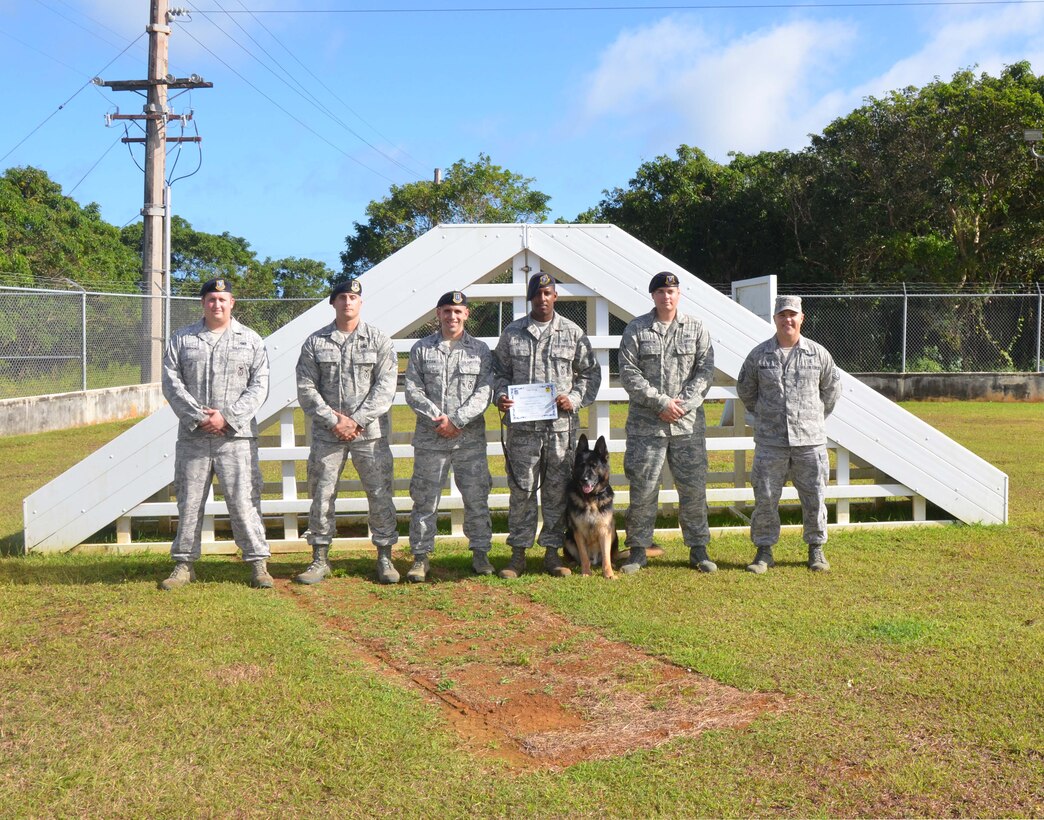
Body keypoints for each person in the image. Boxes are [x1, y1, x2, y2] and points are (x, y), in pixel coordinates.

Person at [159, 277, 273, 590]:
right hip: (194, 437)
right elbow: (171, 382)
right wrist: (199, 417)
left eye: (223, 299)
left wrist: (227, 417)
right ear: (203, 303)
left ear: (232, 303)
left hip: (236, 438)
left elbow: (259, 386)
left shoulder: (251, 340)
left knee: (244, 501)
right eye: (211, 299)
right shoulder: (183, 339)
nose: (217, 304)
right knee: (189, 501)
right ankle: (184, 565)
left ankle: (258, 564)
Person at [492, 272, 601, 578]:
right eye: (537, 294)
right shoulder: (512, 333)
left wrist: (574, 398)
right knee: (522, 491)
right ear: (530, 298)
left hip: (559, 431)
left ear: (555, 296)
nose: (542, 298)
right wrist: (501, 395)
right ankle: (518, 555)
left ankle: (552, 554)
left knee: (556, 493)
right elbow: (498, 372)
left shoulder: (572, 332)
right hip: (523, 432)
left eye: (547, 293)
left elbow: (590, 373)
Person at [295, 278, 400, 585]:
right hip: (328, 435)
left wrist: (356, 421)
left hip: (369, 434)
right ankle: (320, 558)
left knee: (379, 494)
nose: (347, 302)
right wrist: (334, 421)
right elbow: (306, 387)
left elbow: (386, 386)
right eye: (341, 297)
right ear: (333, 303)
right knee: (322, 495)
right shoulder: (316, 342)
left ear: (360, 302)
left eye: (353, 297)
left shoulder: (378, 340)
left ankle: (385, 556)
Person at [618, 271, 716, 575]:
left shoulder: (696, 328)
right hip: (647, 426)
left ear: (679, 294)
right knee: (643, 488)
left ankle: (698, 549)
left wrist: (680, 406)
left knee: (693, 489)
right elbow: (629, 374)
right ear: (653, 296)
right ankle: (638, 549)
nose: (666, 296)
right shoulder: (636, 329)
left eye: (671, 291)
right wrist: (661, 403)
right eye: (660, 291)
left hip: (687, 427)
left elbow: (705, 371)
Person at [736, 294, 842, 573]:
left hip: (809, 441)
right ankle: (764, 551)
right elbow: (746, 390)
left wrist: (812, 417)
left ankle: (816, 549)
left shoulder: (818, 354)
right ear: (775, 319)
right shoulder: (759, 355)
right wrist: (767, 416)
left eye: (792, 314)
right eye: (782, 315)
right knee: (765, 498)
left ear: (802, 318)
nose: (788, 320)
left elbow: (831, 391)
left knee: (815, 497)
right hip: (771, 443)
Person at [403, 291, 494, 582]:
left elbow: (485, 391)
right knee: (424, 501)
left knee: (477, 499)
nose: (452, 316)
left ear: (466, 314)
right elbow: (413, 390)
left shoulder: (480, 350)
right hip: (431, 440)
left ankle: (480, 554)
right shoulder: (421, 349)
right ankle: (420, 557)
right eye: (446, 311)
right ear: (438, 314)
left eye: (457, 311)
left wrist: (457, 420)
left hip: (469, 440)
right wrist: (439, 420)